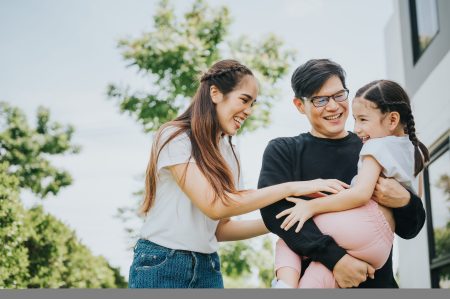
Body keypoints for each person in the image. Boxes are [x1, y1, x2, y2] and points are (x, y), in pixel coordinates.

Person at [127, 59, 348, 288]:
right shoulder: (175, 137)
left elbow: (220, 229)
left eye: (253, 104)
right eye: (244, 100)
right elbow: (216, 205)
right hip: (161, 264)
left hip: (208, 267)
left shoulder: (229, 150)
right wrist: (294, 187)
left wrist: (281, 217)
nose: (249, 111)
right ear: (215, 93)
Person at [258, 59, 426, 288]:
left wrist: (405, 201)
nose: (333, 106)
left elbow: (411, 228)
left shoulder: (374, 143)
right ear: (300, 105)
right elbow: (275, 213)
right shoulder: (284, 150)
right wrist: (337, 260)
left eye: (339, 95)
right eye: (320, 99)